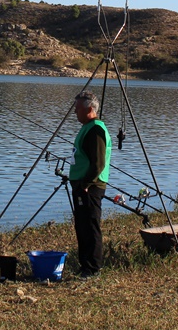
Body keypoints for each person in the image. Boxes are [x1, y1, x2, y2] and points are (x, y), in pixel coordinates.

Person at [68, 91, 110, 278]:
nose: (75, 112)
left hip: (90, 187)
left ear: (90, 109)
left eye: (78, 108)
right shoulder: (87, 127)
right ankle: (84, 265)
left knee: (91, 226)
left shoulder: (96, 130)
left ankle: (93, 268)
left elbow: (98, 163)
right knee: (81, 225)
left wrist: (86, 183)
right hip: (81, 185)